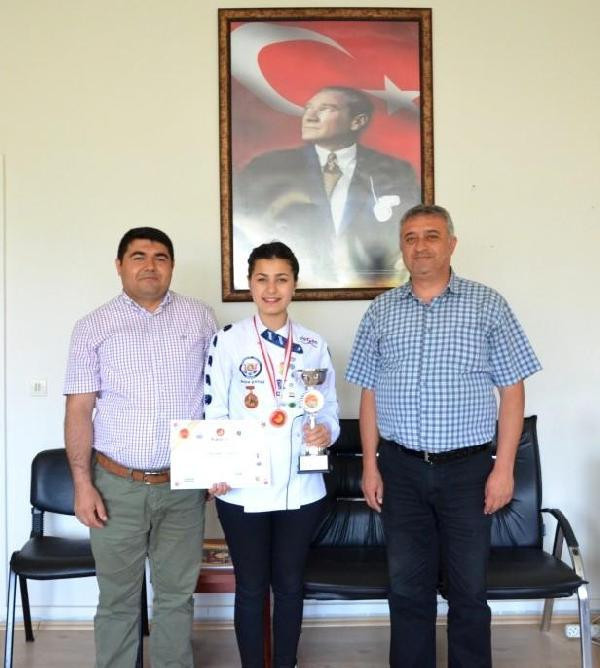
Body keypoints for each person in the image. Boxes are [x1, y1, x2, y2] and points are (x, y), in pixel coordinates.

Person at [346, 204, 541, 668]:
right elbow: (369, 393)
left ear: (452, 244)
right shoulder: (381, 311)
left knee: (469, 591)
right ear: (402, 247)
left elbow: (512, 390)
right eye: (410, 237)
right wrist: (371, 465)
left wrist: (503, 469)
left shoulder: (488, 305)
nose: (420, 246)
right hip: (400, 469)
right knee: (406, 590)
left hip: (468, 472)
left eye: (431, 236)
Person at [63, 227, 217, 668]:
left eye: (160, 257)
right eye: (138, 256)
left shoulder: (200, 317)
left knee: (176, 597)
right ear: (119, 266)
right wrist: (82, 484)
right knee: (117, 599)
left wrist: (215, 465)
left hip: (182, 486)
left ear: (172, 265)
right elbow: (79, 409)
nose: (150, 265)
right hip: (116, 486)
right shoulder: (92, 326)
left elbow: (217, 397)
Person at [204, 241, 340, 668]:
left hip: (301, 487)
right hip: (242, 489)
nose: (271, 288)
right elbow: (214, 410)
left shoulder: (314, 344)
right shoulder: (227, 341)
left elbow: (329, 408)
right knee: (250, 586)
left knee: (290, 585)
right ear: (250, 284)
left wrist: (326, 431)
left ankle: (285, 662)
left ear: (294, 285)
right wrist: (217, 467)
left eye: (281, 279)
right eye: (262, 278)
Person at [234, 86, 420, 288]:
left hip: (369, 288)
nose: (310, 117)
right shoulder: (266, 169)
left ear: (357, 121)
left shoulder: (394, 171)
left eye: (326, 109)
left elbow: (407, 235)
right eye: (308, 109)